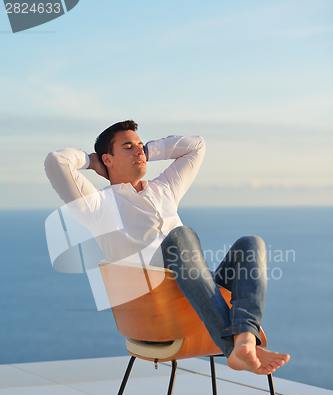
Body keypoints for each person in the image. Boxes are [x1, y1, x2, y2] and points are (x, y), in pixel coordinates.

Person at [45, 119, 290, 375]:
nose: (139, 151)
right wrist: (90, 160)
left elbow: (196, 146)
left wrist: (149, 151)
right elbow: (56, 161)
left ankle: (244, 339)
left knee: (251, 244)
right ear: (108, 159)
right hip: (159, 313)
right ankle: (232, 346)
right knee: (180, 237)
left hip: (199, 299)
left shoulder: (164, 188)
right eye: (128, 147)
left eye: (140, 146)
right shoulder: (97, 205)